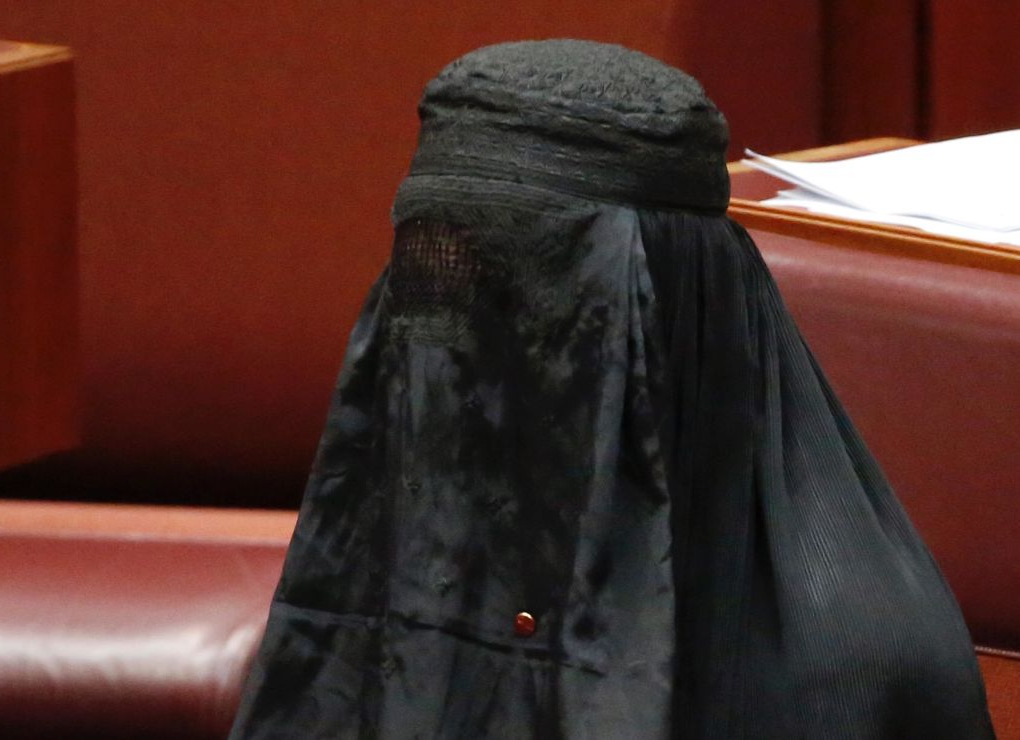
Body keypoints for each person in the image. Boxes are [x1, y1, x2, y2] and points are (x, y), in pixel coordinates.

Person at [229, 39, 995, 739]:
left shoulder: (851, 671)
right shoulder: (400, 571)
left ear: (676, 307)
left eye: (528, 299)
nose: (464, 358)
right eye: (439, 278)